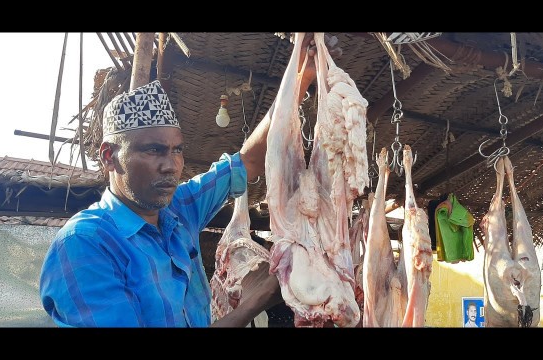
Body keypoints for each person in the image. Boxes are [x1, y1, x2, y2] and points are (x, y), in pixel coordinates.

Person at [39, 33, 342, 327]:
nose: (171, 166)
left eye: (177, 150)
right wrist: (254, 303)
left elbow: (248, 160)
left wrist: (303, 75)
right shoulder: (85, 243)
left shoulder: (178, 209)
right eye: (153, 150)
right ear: (109, 156)